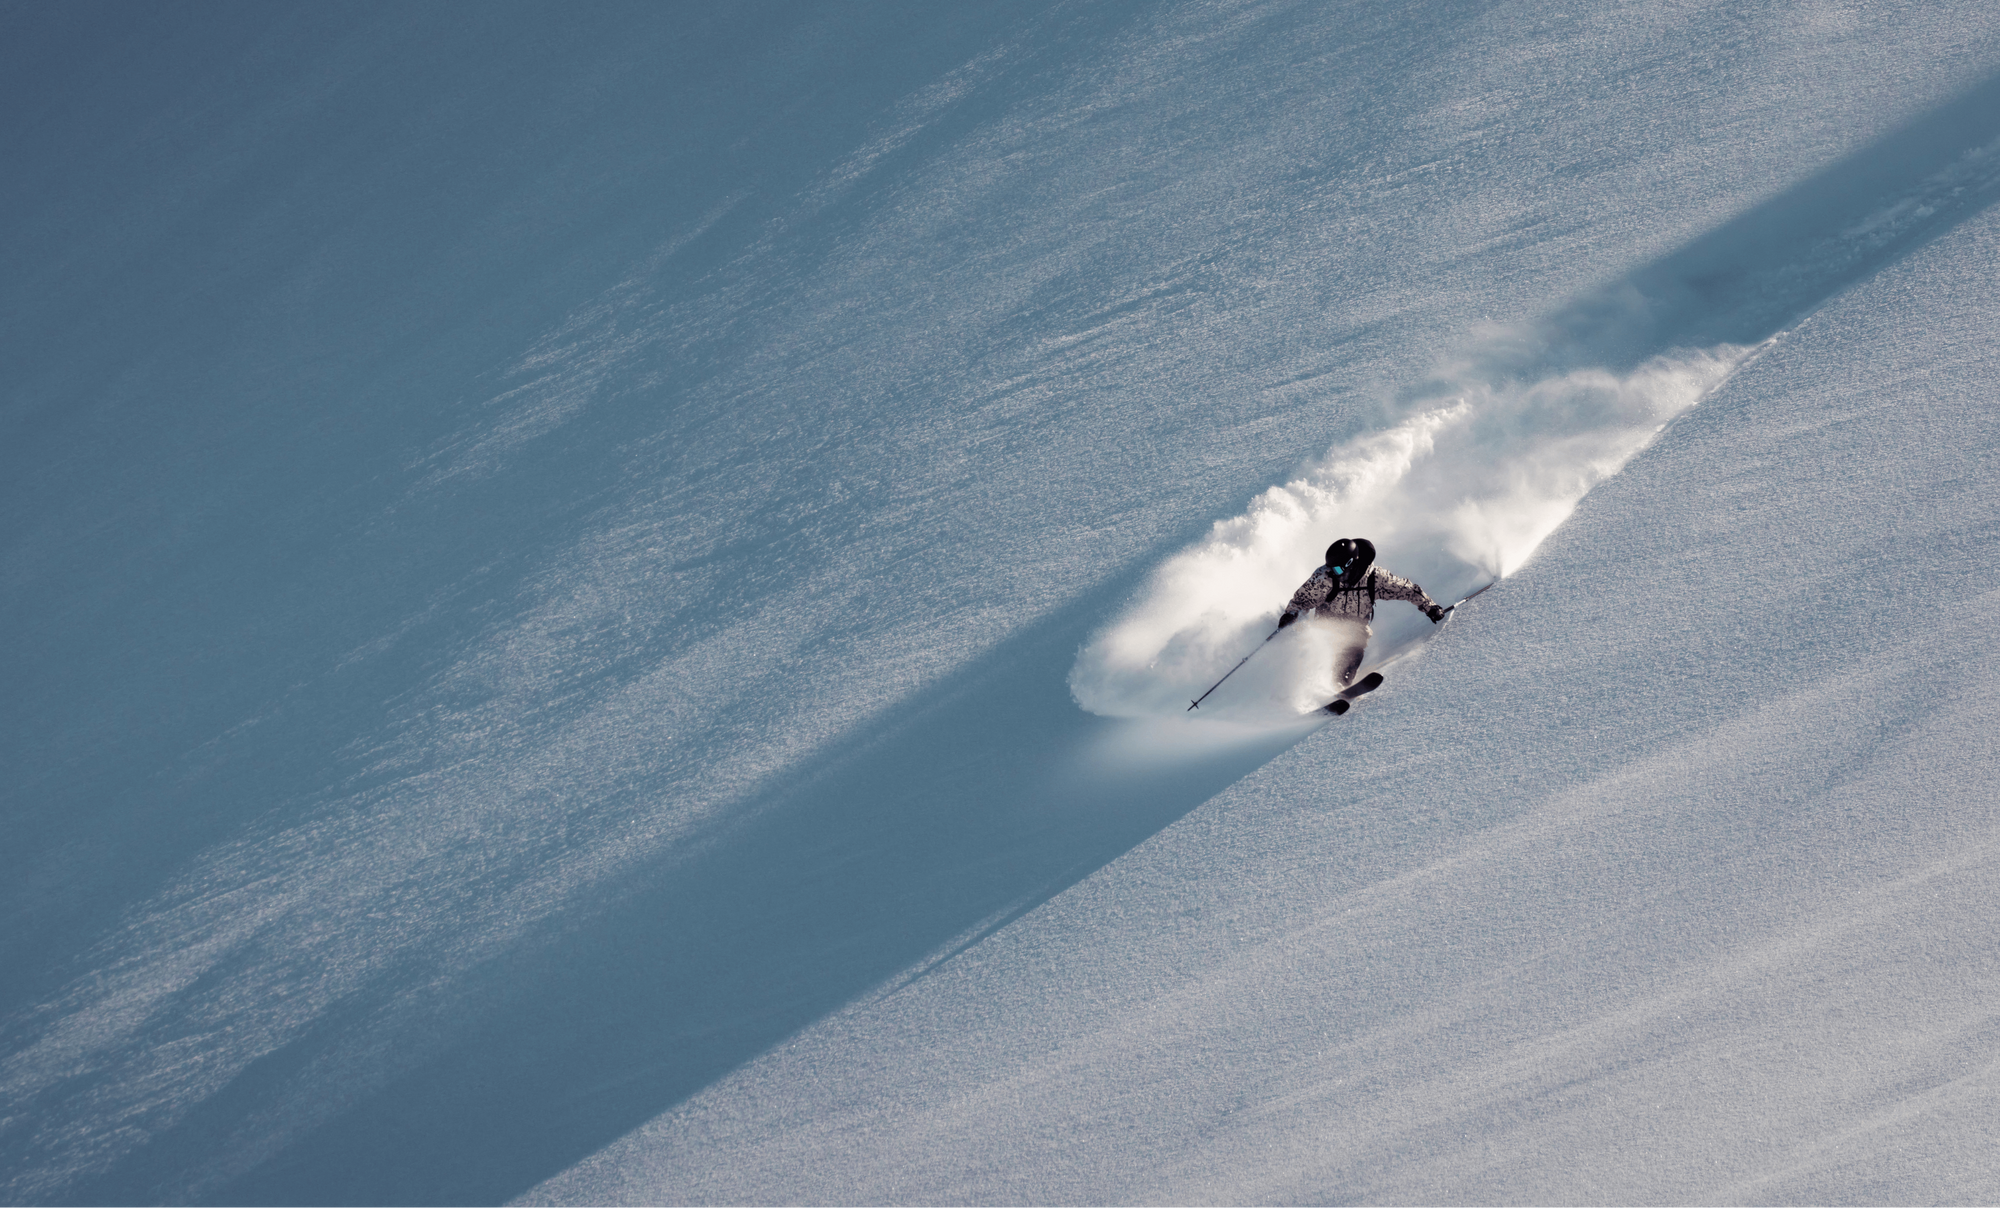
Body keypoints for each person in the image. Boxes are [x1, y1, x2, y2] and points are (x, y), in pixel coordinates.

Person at [1276, 538, 1444, 687]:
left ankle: (1340, 685)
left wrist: (1430, 607)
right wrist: (1291, 614)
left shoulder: (1375, 577)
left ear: (1352, 563)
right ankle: (1301, 686)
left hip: (1355, 629)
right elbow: (1302, 600)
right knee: (1317, 650)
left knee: (1353, 650)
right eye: (1333, 569)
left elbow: (1407, 590)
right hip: (1326, 625)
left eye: (1339, 570)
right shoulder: (1324, 578)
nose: (1336, 574)